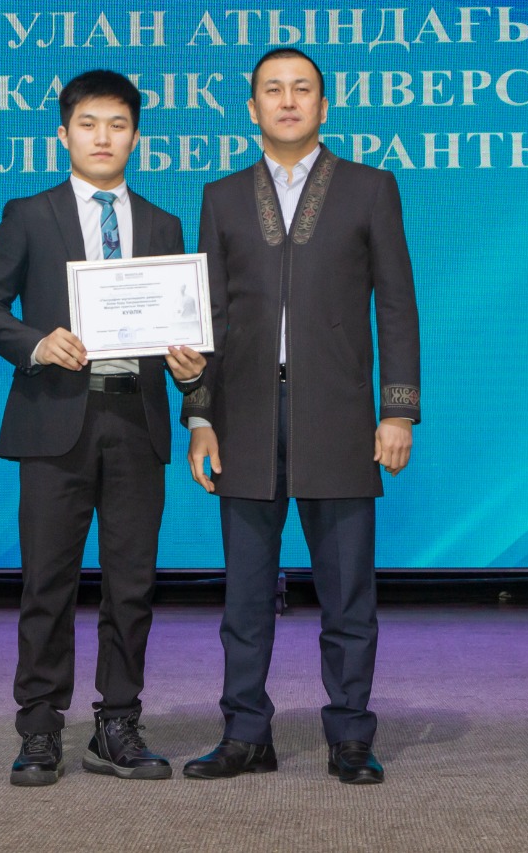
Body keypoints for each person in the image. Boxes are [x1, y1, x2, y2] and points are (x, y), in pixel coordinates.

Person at [180, 47, 420, 785]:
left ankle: (350, 735)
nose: (288, 101)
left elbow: (396, 304)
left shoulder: (370, 188)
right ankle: (245, 734)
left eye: (303, 89)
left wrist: (398, 411)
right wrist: (199, 416)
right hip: (244, 417)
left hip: (340, 417)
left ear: (324, 104)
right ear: (251, 107)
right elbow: (208, 316)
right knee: (245, 595)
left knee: (348, 592)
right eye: (273, 90)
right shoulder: (222, 197)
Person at [0, 69, 206, 786]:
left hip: (136, 418)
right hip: (54, 421)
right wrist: (37, 343)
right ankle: (40, 726)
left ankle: (118, 723)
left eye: (118, 125)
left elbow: (182, 326)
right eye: (89, 124)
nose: (104, 137)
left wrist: (189, 367)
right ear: (63, 135)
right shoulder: (29, 214)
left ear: (137, 137)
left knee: (132, 583)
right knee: (48, 581)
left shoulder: (162, 224)